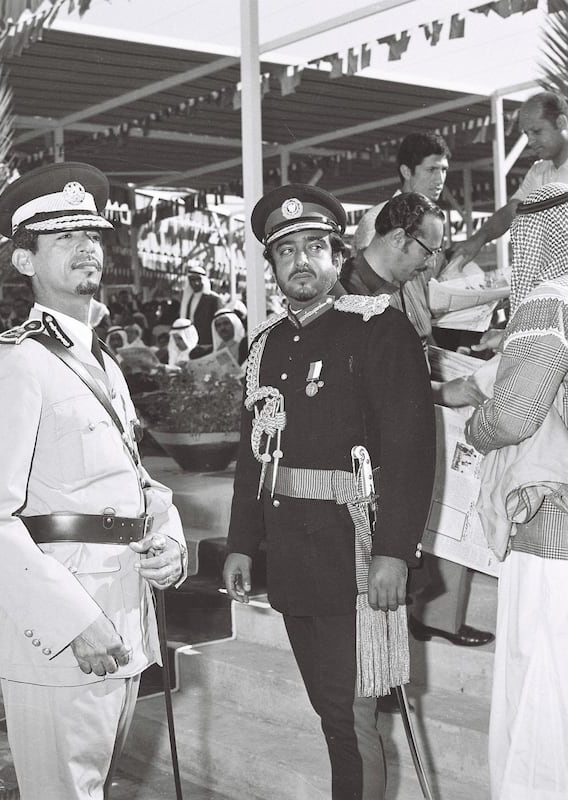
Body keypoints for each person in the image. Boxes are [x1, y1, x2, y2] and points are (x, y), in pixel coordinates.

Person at [0, 161, 187, 800]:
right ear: (24, 262)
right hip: (65, 630)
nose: (87, 247)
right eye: (62, 238)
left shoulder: (100, 359)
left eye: (93, 235)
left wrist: (170, 538)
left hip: (126, 612)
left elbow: (135, 480)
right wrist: (71, 621)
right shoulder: (17, 364)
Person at [223, 183, 436, 799]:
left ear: (338, 257)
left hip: (357, 556)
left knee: (352, 721)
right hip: (293, 558)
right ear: (271, 267)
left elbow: (410, 451)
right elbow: (253, 457)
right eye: (286, 251)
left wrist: (397, 551)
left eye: (315, 247)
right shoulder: (262, 346)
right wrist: (242, 542)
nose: (301, 261)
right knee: (331, 716)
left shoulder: (378, 328)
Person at [344, 195, 495, 649]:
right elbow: (363, 388)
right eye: (427, 252)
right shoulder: (348, 293)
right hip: (360, 470)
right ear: (396, 238)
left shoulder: (388, 289)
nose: (430, 265)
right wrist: (439, 393)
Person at [465, 182, 568, 800]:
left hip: (552, 532)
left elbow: (515, 411)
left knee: (541, 694)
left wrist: (478, 433)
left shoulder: (550, 300)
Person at [449, 92, 568, 272]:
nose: (530, 141)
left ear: (561, 123)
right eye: (527, 133)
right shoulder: (538, 171)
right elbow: (512, 211)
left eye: (536, 131)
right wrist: (478, 240)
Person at [179, 264, 221, 348]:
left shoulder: (213, 299)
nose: (196, 283)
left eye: (198, 279)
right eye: (192, 280)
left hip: (207, 342)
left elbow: (218, 322)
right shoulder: (187, 299)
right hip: (190, 341)